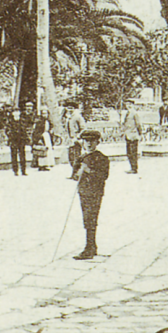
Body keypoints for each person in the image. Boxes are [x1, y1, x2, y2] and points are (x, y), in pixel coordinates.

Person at [72, 129, 110, 260]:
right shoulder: (81, 157)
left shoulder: (102, 158)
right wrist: (77, 172)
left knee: (91, 219)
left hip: (95, 192)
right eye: (86, 141)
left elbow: (103, 176)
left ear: (97, 142)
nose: (89, 144)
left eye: (92, 141)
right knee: (87, 219)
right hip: (83, 191)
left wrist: (88, 171)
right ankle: (91, 246)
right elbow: (75, 175)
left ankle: (89, 247)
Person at [5, 104, 30, 176]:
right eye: (14, 111)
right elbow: (7, 130)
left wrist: (25, 138)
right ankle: (15, 170)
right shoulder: (10, 121)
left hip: (21, 140)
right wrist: (11, 135)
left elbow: (25, 130)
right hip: (13, 140)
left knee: (22, 155)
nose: (16, 113)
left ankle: (23, 170)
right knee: (14, 155)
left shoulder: (22, 120)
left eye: (17, 111)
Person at [63, 101, 86, 180]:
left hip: (76, 140)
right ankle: (74, 174)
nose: (69, 109)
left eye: (71, 108)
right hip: (70, 140)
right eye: (68, 108)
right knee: (71, 157)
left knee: (76, 157)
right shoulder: (69, 117)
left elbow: (83, 128)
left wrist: (78, 137)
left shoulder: (78, 116)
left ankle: (77, 175)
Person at [121, 100, 142, 174]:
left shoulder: (134, 113)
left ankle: (134, 168)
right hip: (128, 135)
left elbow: (138, 124)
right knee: (129, 152)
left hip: (133, 135)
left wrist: (140, 134)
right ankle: (132, 167)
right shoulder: (127, 113)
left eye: (130, 104)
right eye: (127, 104)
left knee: (133, 152)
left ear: (133, 105)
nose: (128, 106)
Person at [31, 106, 55, 171]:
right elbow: (36, 131)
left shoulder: (48, 121)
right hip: (42, 137)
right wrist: (38, 138)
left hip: (47, 136)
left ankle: (46, 164)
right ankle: (41, 165)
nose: (45, 115)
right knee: (42, 150)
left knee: (47, 150)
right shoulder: (39, 122)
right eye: (43, 113)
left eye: (46, 113)